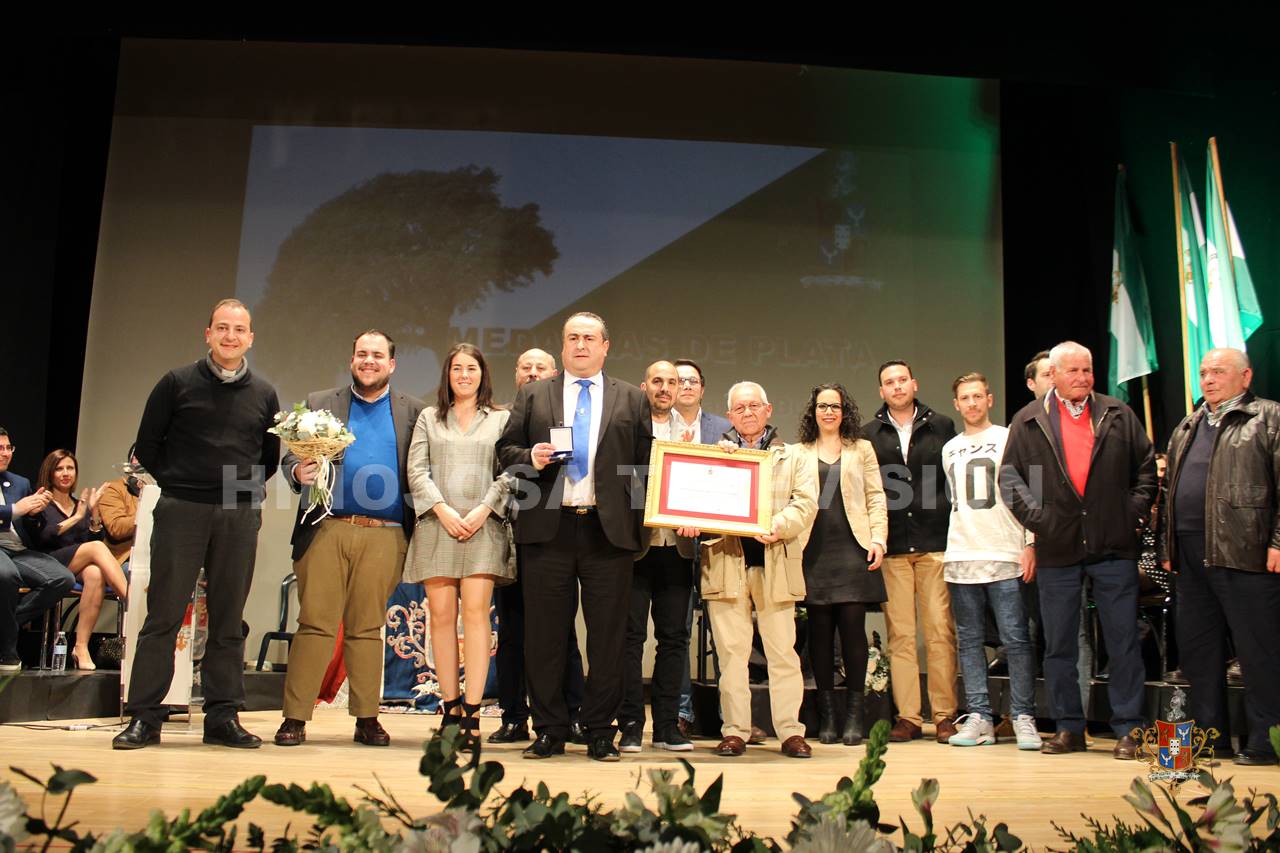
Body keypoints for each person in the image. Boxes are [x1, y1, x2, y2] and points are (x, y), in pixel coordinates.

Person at [114, 298, 281, 750]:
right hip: (181, 506)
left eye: (239, 329)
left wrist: (234, 492)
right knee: (164, 613)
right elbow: (146, 446)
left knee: (228, 617)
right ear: (207, 333)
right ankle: (145, 718)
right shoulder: (176, 383)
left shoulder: (265, 394)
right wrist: (184, 483)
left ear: (250, 338)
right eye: (222, 328)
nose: (230, 336)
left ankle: (222, 717)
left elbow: (267, 459)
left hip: (237, 510)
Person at [497, 312, 652, 761]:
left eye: (589, 338)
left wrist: (638, 524)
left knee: (608, 638)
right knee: (544, 636)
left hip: (609, 533)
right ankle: (549, 728)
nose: (580, 345)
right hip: (549, 527)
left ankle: (601, 729)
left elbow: (645, 467)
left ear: (606, 346)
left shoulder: (631, 399)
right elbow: (505, 453)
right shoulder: (534, 394)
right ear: (562, 347)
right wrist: (532, 456)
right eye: (572, 338)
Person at [1001, 341, 1155, 759]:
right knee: (1060, 644)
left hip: (1112, 546)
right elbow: (1011, 480)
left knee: (1123, 640)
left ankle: (1129, 728)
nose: (1083, 378)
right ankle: (1069, 727)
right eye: (1073, 371)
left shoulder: (1118, 413)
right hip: (1058, 548)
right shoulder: (1029, 419)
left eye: (1087, 370)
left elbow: (1146, 469)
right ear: (1053, 373)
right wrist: (1043, 522)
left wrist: (1129, 515)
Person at [273, 330, 425, 748]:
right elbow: (290, 454)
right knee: (315, 625)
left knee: (366, 629)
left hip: (385, 535)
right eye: (362, 354)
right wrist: (295, 472)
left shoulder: (414, 410)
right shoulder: (322, 402)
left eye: (378, 355)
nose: (369, 361)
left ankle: (367, 718)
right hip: (326, 527)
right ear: (351, 360)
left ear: (392, 364)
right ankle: (295, 718)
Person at [1161, 348, 1280, 766]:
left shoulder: (1268, 418)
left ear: (1245, 377)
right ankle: (1211, 739)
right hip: (1190, 554)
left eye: (1219, 372)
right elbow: (1169, 492)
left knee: (1258, 651)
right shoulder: (1188, 424)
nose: (1208, 380)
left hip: (1244, 551)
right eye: (1204, 372)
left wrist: (1278, 541)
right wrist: (1167, 547)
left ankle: (1267, 741)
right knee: (1199, 653)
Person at [698, 381, 816, 758]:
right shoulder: (714, 454)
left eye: (754, 406)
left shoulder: (794, 456)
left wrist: (778, 525)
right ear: (729, 415)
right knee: (732, 655)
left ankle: (790, 732)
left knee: (783, 653)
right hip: (726, 564)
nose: (747, 413)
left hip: (775, 563)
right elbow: (697, 504)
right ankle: (736, 730)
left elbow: (805, 504)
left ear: (769, 410)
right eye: (739, 408)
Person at [405, 342, 514, 747]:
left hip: (484, 526)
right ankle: (448, 708)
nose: (464, 375)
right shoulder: (429, 418)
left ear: (483, 374)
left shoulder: (501, 418)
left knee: (476, 615)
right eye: (457, 369)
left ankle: (472, 713)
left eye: (471, 368)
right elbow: (416, 469)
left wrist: (484, 509)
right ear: (447, 375)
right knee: (440, 616)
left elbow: (509, 471)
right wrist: (443, 510)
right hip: (438, 525)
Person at [489, 348, 588, 746]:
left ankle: (571, 714)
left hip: (550, 534)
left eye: (540, 368)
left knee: (559, 631)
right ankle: (514, 716)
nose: (532, 373)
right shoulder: (499, 419)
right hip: (504, 534)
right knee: (512, 631)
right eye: (525, 367)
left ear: (554, 374)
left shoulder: (564, 416)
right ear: (516, 374)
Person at [940, 373, 1039, 750]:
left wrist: (1031, 541)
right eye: (965, 397)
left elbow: (1029, 491)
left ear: (989, 399)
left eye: (978, 396)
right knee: (969, 640)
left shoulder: (1009, 437)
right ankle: (980, 715)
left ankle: (1023, 715)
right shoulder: (949, 448)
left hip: (1004, 551)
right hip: (962, 552)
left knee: (1015, 638)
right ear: (957, 404)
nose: (972, 403)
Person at [863, 360, 959, 743]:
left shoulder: (943, 426)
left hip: (936, 543)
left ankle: (945, 715)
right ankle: (908, 717)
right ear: (881, 392)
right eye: (889, 382)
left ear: (914, 384)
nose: (897, 387)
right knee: (900, 635)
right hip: (895, 547)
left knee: (939, 632)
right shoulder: (870, 434)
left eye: (903, 380)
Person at [793, 383, 887, 746]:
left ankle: (854, 712)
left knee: (852, 631)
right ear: (813, 412)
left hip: (853, 548)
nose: (828, 411)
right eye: (822, 406)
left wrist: (878, 539)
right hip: (813, 551)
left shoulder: (861, 448)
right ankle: (827, 714)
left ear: (844, 411)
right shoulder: (798, 452)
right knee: (818, 634)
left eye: (835, 406)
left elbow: (876, 496)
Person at [619, 361, 696, 752]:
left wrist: (698, 517)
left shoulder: (693, 435)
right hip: (635, 549)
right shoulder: (627, 430)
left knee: (674, 639)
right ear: (643, 386)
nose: (665, 388)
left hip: (678, 550)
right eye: (658, 381)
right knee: (629, 639)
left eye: (672, 382)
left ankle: (667, 726)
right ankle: (631, 723)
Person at [29, 450, 129, 670]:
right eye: (60, 468)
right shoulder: (41, 501)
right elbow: (44, 536)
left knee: (95, 573)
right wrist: (76, 517)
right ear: (50, 472)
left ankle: (81, 646)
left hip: (75, 565)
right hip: (47, 562)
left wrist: (93, 515)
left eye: (70, 468)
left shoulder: (79, 503)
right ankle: (129, 599)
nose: (66, 473)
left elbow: (89, 539)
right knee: (95, 549)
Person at [0, 429, 75, 673]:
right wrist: (15, 509)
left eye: (8, 448)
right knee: (6, 575)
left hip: (18, 548)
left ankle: (5, 625)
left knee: (62, 579)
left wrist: (33, 514)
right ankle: (7, 651)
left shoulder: (19, 482)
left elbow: (31, 529)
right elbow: (14, 512)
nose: (5, 454)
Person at [97, 448, 145, 566]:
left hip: (154, 556)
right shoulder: (114, 489)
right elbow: (116, 527)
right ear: (131, 461)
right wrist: (147, 510)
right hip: (125, 559)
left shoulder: (161, 491)